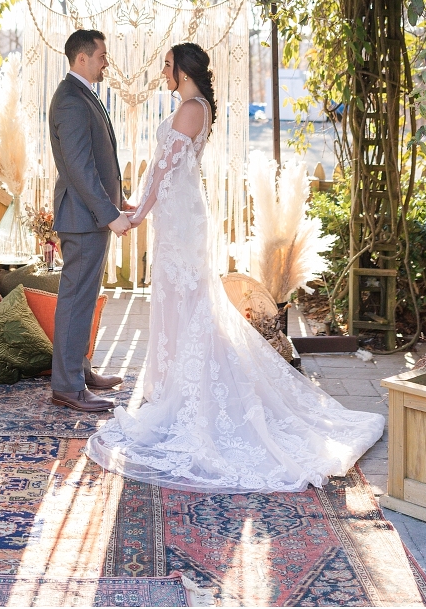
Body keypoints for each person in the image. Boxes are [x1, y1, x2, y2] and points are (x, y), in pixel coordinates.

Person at [85, 42, 385, 492]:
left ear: (184, 70)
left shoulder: (190, 107)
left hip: (181, 221)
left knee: (187, 304)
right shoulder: (194, 105)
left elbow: (166, 167)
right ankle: (172, 388)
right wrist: (138, 203)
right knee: (179, 303)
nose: (162, 72)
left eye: (167, 65)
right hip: (179, 216)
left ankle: (184, 394)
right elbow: (165, 170)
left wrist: (138, 213)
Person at [48, 29, 133, 414]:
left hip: (89, 216)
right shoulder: (69, 100)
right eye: (101, 55)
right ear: (82, 58)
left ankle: (78, 371)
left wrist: (118, 201)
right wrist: (109, 213)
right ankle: (67, 387)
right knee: (75, 301)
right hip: (83, 218)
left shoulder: (82, 94)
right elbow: (80, 169)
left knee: (83, 301)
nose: (105, 61)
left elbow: (96, 161)